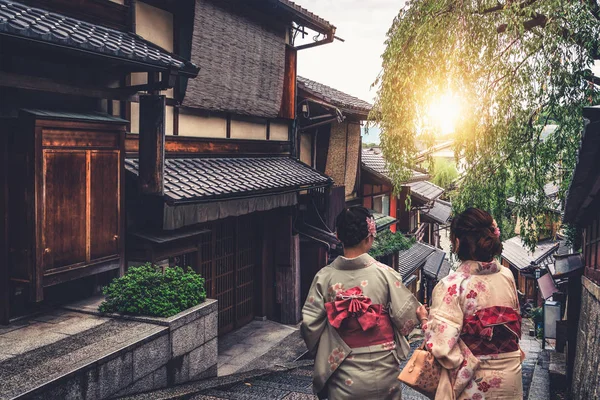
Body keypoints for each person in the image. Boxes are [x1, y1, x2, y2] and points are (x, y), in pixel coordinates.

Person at [301, 207, 428, 399]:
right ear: (370, 237)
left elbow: (310, 326)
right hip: (384, 369)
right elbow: (406, 318)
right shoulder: (385, 274)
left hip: (343, 369)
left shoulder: (324, 278)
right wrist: (421, 317)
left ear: (337, 236)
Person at [421, 208, 523, 400]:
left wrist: (424, 320)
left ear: (457, 242)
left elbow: (441, 346)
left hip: (475, 381)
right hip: (510, 377)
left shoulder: (452, 285)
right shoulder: (507, 276)